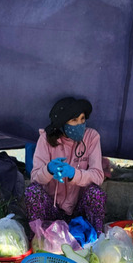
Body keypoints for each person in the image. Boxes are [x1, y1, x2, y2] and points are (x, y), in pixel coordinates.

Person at [25, 96, 106, 233]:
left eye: (82, 119)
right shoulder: (46, 139)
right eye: (74, 120)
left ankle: (95, 240)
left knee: (96, 194)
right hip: (52, 209)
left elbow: (98, 176)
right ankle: (38, 238)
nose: (80, 124)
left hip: (79, 210)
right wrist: (48, 170)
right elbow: (35, 178)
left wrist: (74, 174)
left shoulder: (91, 137)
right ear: (62, 124)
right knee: (32, 192)